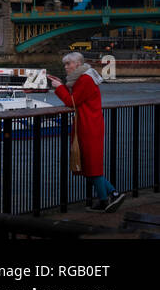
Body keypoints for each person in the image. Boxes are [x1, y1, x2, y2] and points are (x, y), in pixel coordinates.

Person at [48, 51, 124, 212]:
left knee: (91, 165)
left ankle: (107, 198)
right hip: (90, 124)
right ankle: (111, 195)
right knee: (89, 164)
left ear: (78, 64)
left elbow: (71, 102)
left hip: (89, 126)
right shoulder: (86, 78)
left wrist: (60, 87)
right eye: (65, 64)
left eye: (68, 64)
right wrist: (62, 84)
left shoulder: (85, 79)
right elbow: (78, 98)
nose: (66, 67)